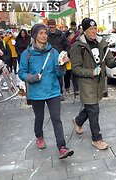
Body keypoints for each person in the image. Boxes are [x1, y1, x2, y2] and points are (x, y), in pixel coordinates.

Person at [18, 23, 74, 159]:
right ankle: (39, 136)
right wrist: (32, 78)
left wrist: (62, 65)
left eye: (46, 33)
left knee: (56, 119)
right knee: (39, 118)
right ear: (35, 35)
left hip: (53, 91)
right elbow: (21, 73)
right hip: (36, 93)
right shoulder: (27, 54)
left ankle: (62, 147)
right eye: (41, 33)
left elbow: (59, 74)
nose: (44, 36)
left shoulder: (53, 52)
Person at [69, 18, 116, 150]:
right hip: (86, 81)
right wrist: (91, 71)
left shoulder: (101, 43)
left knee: (91, 106)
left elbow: (109, 62)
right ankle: (97, 139)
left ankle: (78, 121)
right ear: (84, 31)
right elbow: (75, 68)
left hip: (99, 82)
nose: (93, 32)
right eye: (90, 29)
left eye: (95, 29)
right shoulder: (77, 46)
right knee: (94, 109)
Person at [47, 19, 68, 101]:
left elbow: (67, 45)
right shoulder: (47, 35)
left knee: (59, 76)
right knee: (50, 75)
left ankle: (60, 92)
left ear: (55, 26)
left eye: (52, 27)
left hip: (60, 58)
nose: (51, 29)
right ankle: (51, 93)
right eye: (49, 27)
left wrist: (65, 54)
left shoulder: (61, 35)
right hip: (49, 58)